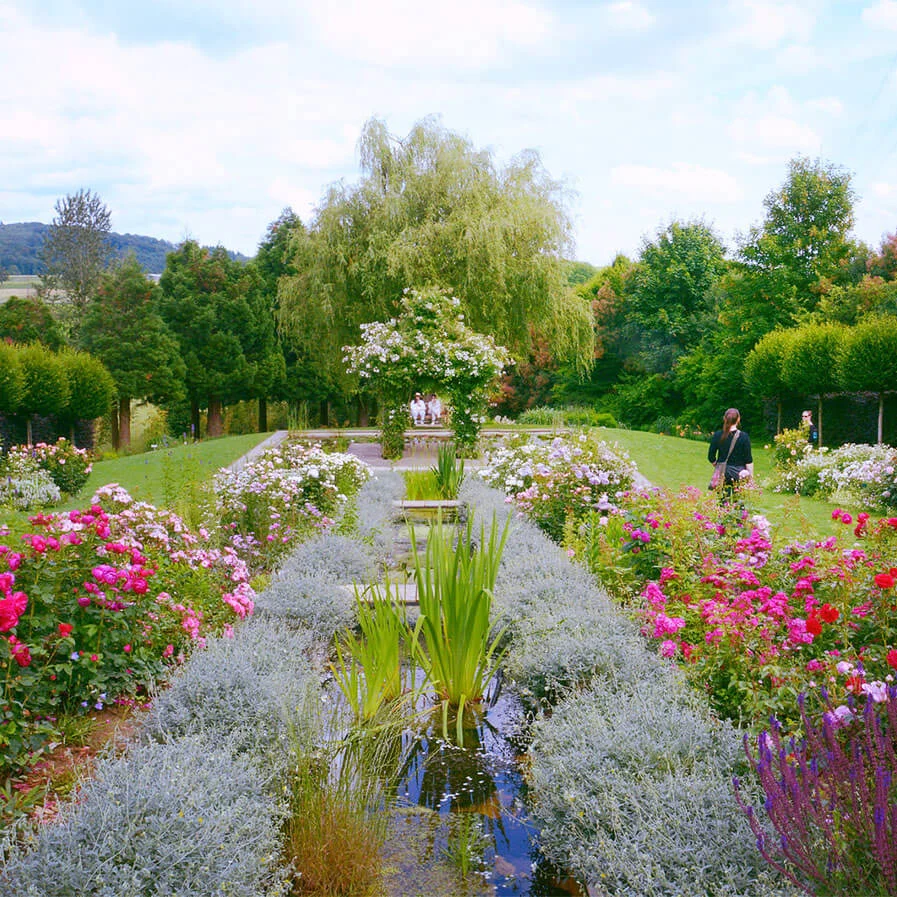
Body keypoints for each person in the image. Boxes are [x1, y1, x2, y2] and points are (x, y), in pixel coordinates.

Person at [708, 408, 753, 495]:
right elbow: (748, 460)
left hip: (723, 473)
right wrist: (750, 477)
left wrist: (718, 465)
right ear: (738, 419)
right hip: (739, 474)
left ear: (724, 419)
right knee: (739, 502)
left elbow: (711, 456)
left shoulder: (718, 435)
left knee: (723, 500)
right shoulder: (744, 436)